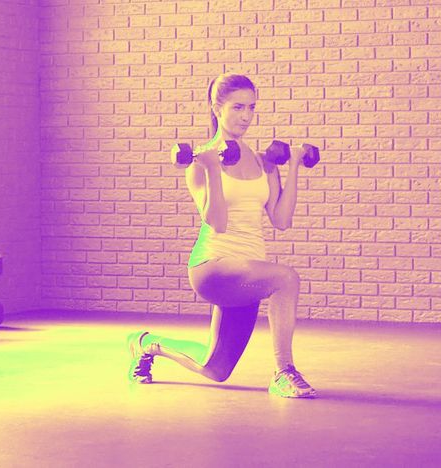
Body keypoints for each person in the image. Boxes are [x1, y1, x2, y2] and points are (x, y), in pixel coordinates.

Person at [127, 73, 316, 398]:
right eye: (238, 107)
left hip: (246, 274)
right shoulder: (200, 162)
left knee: (216, 368)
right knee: (286, 278)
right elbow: (217, 222)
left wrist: (294, 166)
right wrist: (214, 169)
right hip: (212, 267)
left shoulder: (262, 162)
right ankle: (283, 372)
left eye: (252, 108)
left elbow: (281, 220)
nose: (246, 115)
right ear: (217, 108)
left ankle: (146, 344)